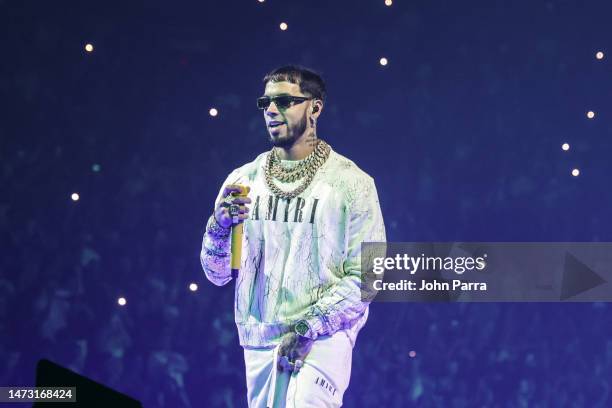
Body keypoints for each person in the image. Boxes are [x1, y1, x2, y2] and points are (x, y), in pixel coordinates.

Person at [201, 65, 386, 407]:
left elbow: (368, 275)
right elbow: (217, 274)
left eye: (284, 101)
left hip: (323, 339)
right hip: (258, 340)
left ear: (315, 108)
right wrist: (219, 226)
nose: (271, 110)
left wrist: (308, 327)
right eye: (266, 103)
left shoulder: (353, 183)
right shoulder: (243, 181)